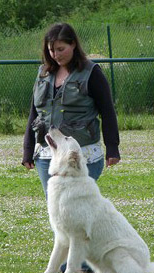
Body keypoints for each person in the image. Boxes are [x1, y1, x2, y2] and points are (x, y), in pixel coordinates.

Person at [22, 23, 120, 196]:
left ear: (73, 44)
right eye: (51, 50)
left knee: (76, 204)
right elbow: (35, 113)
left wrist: (112, 147)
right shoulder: (43, 73)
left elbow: (107, 111)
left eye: (61, 49)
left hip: (81, 154)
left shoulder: (92, 72)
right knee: (56, 207)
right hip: (47, 154)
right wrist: (28, 149)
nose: (56, 55)